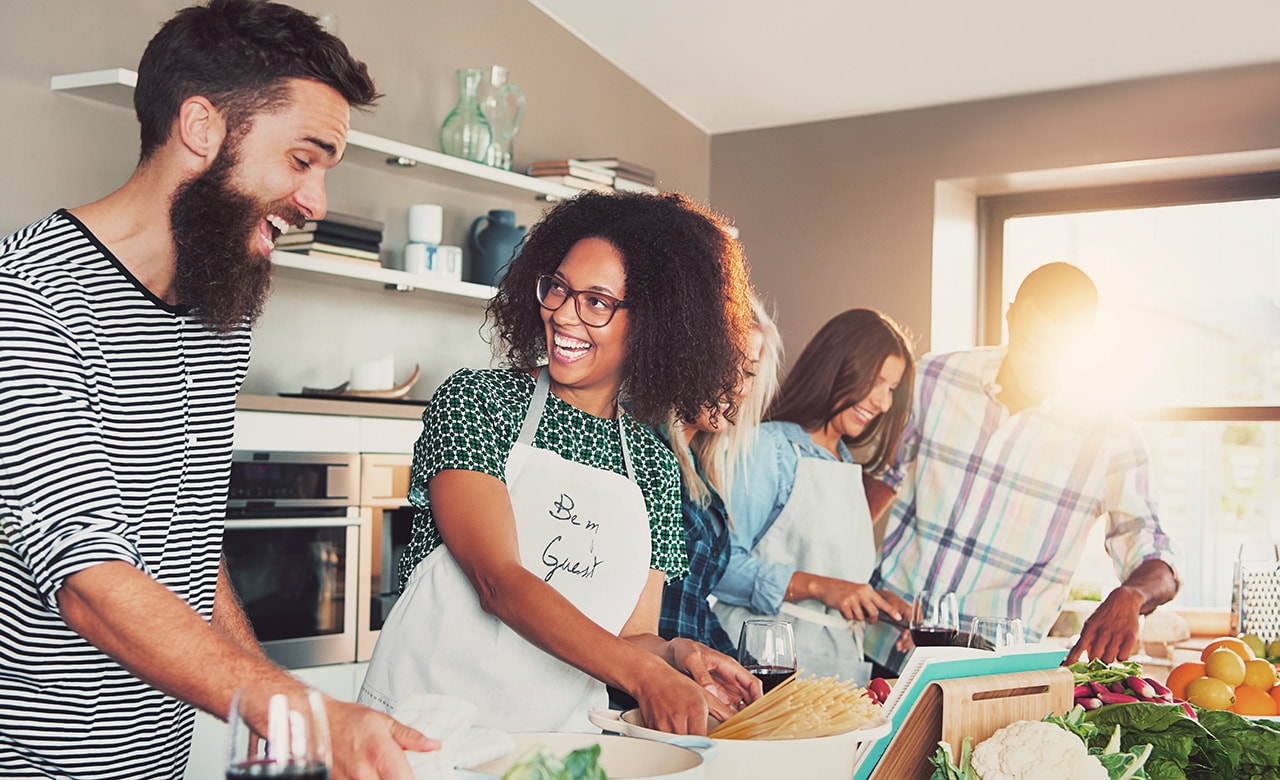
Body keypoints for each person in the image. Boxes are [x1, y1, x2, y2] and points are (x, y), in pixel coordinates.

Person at [0, 2, 436, 777]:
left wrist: (276, 706)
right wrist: (308, 717)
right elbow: (90, 580)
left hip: (159, 760)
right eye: (303, 160)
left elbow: (185, 549)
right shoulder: (30, 299)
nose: (316, 203)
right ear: (202, 128)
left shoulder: (217, 311)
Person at [359, 191, 761, 737]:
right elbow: (496, 580)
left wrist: (673, 653)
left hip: (555, 745)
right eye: (558, 288)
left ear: (651, 323)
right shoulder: (479, 403)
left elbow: (629, 635)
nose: (564, 315)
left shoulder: (654, 466)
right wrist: (642, 674)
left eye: (597, 302)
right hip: (424, 730)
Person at [865, 262, 1180, 673]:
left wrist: (1132, 595)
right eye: (1033, 343)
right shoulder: (934, 379)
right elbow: (878, 482)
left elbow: (1156, 555)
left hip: (994, 673)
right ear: (1011, 316)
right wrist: (833, 579)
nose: (1041, 366)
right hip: (883, 647)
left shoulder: (1110, 437)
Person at [712, 308, 915, 681]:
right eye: (877, 382)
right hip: (764, 668)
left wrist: (874, 600)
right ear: (837, 367)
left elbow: (831, 573)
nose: (884, 403)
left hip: (835, 670)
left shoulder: (845, 463)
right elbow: (721, 567)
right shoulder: (770, 448)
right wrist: (822, 588)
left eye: (891, 390)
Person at [656, 297, 784, 655]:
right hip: (640, 690)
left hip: (683, 683)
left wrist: (741, 671)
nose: (737, 386)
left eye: (749, 371)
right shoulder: (647, 454)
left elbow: (693, 608)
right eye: (726, 363)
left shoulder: (701, 473)